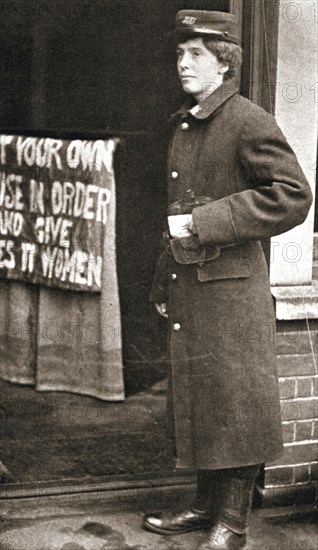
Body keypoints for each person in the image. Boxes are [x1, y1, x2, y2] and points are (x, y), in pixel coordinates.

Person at [143, 10, 313, 550]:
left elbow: (293, 194)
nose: (183, 62)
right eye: (179, 53)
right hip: (192, 286)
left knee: (234, 403)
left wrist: (208, 220)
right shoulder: (187, 122)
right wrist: (162, 281)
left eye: (196, 53)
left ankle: (231, 523)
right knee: (200, 399)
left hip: (234, 292)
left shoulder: (248, 120)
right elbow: (174, 214)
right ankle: (202, 505)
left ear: (225, 61)